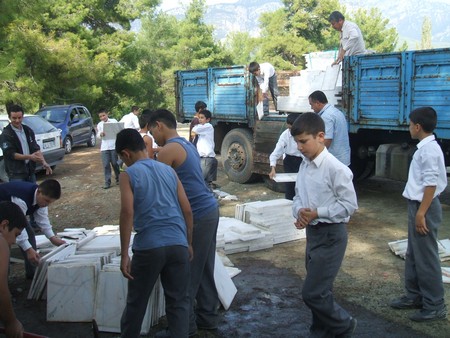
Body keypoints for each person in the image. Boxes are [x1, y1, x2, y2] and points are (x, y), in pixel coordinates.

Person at [148, 109, 220, 336]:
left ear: (159, 125)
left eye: (152, 131)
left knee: (186, 273)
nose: (152, 137)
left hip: (197, 215)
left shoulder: (168, 150)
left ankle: (184, 327)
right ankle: (208, 317)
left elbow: (153, 183)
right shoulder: (185, 144)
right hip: (209, 209)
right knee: (205, 268)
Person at [116, 128, 193, 338]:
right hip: (178, 243)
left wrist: (124, 254)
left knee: (137, 302)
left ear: (126, 154)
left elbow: (127, 212)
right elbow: (186, 209)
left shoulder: (128, 174)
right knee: (178, 302)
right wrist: (189, 242)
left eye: (122, 159)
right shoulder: (169, 171)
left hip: (149, 246)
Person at [291, 113, 358, 338]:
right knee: (321, 289)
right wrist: (300, 212)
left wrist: (318, 213)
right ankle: (320, 331)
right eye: (297, 142)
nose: (299, 147)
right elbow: (299, 195)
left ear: (321, 136)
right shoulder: (305, 165)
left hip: (331, 235)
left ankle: (344, 324)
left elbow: (349, 205)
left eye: (303, 141)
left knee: (313, 293)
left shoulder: (336, 168)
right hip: (314, 234)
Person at [390, 107, 448, 322]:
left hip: (425, 206)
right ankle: (414, 296)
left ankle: (435, 305)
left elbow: (431, 184)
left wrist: (421, 213)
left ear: (417, 126)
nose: (408, 127)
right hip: (417, 205)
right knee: (414, 253)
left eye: (409, 123)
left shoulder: (430, 150)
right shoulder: (424, 147)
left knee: (426, 257)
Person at [0, 179, 65, 279]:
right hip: (4, 218)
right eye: (46, 200)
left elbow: (42, 219)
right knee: (4, 245)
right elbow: (16, 227)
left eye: (49, 203)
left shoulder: (41, 199)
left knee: (29, 234)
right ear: (39, 192)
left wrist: (52, 238)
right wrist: (28, 249)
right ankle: (4, 279)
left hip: (9, 217)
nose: (46, 204)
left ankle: (33, 272)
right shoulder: (21, 199)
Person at [0, 104, 52, 182]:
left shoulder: (28, 130)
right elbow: (11, 154)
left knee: (33, 193)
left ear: (22, 117)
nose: (17, 120)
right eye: (14, 118)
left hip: (30, 172)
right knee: (18, 194)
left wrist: (44, 162)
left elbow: (35, 149)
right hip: (16, 174)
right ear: (9, 118)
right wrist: (30, 157)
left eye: (19, 118)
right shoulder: (6, 134)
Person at [0, 201, 28, 337]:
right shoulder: (1, 242)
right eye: (16, 234)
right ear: (4, 225)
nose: (14, 241)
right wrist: (11, 322)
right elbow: (0, 288)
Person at [309, 90, 350, 166]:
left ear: (317, 103)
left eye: (311, 104)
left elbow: (327, 140)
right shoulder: (336, 112)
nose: (311, 108)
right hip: (343, 157)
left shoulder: (326, 116)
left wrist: (316, 156)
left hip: (334, 160)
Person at [269, 113, 303, 200]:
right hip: (290, 161)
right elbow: (276, 152)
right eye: (289, 128)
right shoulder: (285, 135)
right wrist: (273, 168)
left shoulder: (305, 135)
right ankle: (289, 205)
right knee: (290, 187)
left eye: (292, 128)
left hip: (302, 161)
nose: (290, 131)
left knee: (302, 185)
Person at [191, 110, 218, 190]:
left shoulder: (207, 126)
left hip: (206, 159)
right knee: (208, 183)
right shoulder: (204, 128)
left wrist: (194, 131)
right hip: (209, 158)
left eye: (202, 118)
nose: (200, 120)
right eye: (199, 118)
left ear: (208, 119)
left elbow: (194, 130)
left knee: (201, 180)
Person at [97, 109, 121, 189]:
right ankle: (107, 182)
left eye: (103, 115)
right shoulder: (100, 124)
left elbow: (119, 130)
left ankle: (118, 178)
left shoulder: (113, 121)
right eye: (100, 116)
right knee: (106, 164)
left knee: (115, 163)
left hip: (113, 145)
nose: (102, 117)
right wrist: (100, 134)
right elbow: (98, 135)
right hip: (104, 147)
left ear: (107, 114)